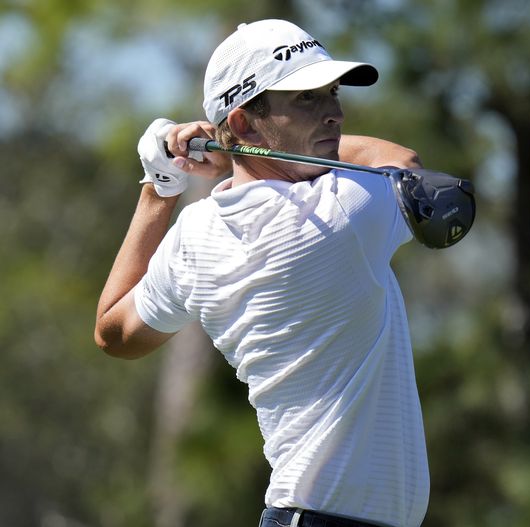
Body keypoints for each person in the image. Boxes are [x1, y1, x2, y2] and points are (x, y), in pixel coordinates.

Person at [94, 19, 431, 527]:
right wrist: (231, 152)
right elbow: (403, 162)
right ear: (246, 123)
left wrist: (159, 187)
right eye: (307, 99)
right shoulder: (342, 210)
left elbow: (114, 333)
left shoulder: (195, 235)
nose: (335, 114)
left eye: (332, 94)